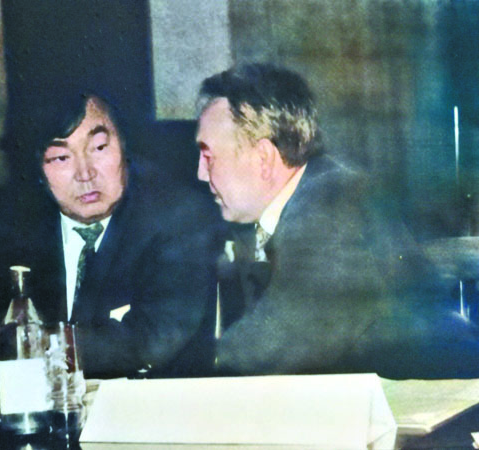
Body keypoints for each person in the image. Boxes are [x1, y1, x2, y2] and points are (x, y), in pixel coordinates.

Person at [0, 92, 221, 378]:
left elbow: (147, 341)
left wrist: (14, 348)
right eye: (60, 157)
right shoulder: (13, 215)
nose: (85, 174)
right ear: (38, 172)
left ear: (125, 147)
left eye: (99, 148)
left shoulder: (179, 216)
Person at [196, 62, 479, 378]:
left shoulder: (331, 202)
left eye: (208, 156)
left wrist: (187, 372)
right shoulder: (314, 193)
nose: (200, 173)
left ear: (264, 158)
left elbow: (282, 340)